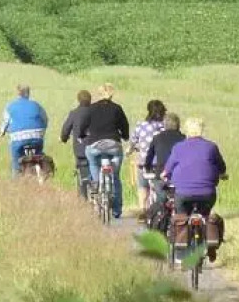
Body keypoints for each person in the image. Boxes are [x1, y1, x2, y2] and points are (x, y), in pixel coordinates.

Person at [160, 118, 228, 218]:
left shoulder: (178, 147)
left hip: (183, 193)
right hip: (207, 194)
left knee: (181, 218)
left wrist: (164, 174)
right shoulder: (211, 147)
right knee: (205, 217)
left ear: (187, 131)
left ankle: (182, 228)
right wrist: (222, 175)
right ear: (202, 130)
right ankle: (205, 227)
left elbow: (168, 169)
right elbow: (222, 167)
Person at [80, 84, 130, 219]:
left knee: (92, 161)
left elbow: (82, 126)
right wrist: (125, 136)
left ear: (98, 94)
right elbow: (125, 126)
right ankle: (117, 210)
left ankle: (96, 184)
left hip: (95, 145)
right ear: (112, 95)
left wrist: (81, 136)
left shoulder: (91, 109)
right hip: (114, 145)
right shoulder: (117, 108)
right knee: (116, 177)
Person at [0, 84, 49, 174]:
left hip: (18, 138)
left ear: (18, 94)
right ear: (28, 94)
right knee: (39, 154)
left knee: (16, 159)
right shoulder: (37, 105)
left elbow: (5, 123)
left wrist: (1, 132)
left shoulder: (10, 107)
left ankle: (16, 179)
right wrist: (42, 130)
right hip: (37, 136)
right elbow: (45, 119)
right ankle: (41, 170)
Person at [129, 100, 167, 213]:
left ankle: (142, 209)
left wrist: (130, 150)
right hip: (161, 163)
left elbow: (133, 141)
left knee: (143, 186)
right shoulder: (165, 127)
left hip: (145, 162)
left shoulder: (141, 125)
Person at [59, 90, 93, 195]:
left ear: (78, 100)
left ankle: (83, 201)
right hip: (97, 148)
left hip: (81, 151)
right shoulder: (96, 112)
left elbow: (65, 130)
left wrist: (63, 138)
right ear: (90, 100)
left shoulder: (74, 113)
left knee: (83, 177)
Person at [144, 113, 185, 178]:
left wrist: (148, 168)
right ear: (178, 125)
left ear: (164, 125)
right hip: (179, 175)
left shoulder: (157, 138)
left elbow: (149, 158)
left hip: (160, 174)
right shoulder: (184, 139)